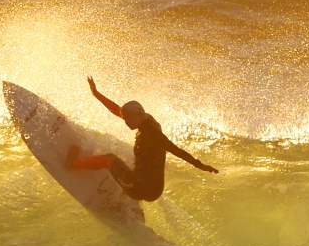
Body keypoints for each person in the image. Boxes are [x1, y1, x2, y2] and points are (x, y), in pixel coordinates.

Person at [65, 77, 218, 201]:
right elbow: (117, 110)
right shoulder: (144, 119)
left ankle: (73, 164)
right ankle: (128, 194)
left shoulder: (151, 133)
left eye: (128, 118)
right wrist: (96, 94)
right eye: (124, 118)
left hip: (141, 188)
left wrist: (200, 165)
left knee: (109, 160)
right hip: (151, 188)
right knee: (130, 158)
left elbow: (175, 150)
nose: (126, 122)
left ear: (138, 114)